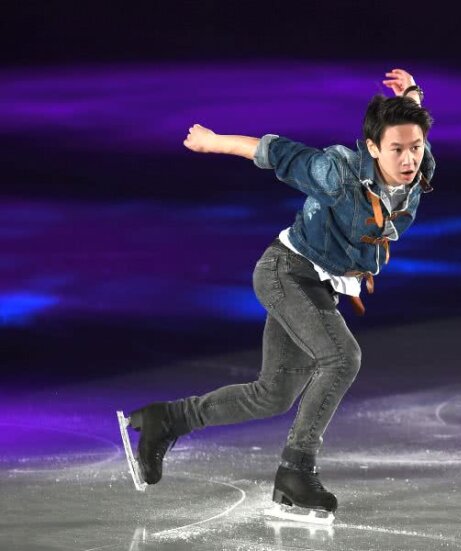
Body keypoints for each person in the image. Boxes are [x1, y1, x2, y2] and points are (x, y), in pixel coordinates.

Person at [124, 68, 435, 517]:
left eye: (415, 147)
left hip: (319, 285)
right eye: (397, 149)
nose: (409, 159)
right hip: (285, 271)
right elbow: (279, 154)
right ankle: (296, 470)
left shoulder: (417, 167)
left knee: (273, 393)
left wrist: (410, 94)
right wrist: (214, 141)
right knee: (342, 358)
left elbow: (417, 128)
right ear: (371, 147)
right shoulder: (338, 172)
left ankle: (165, 419)